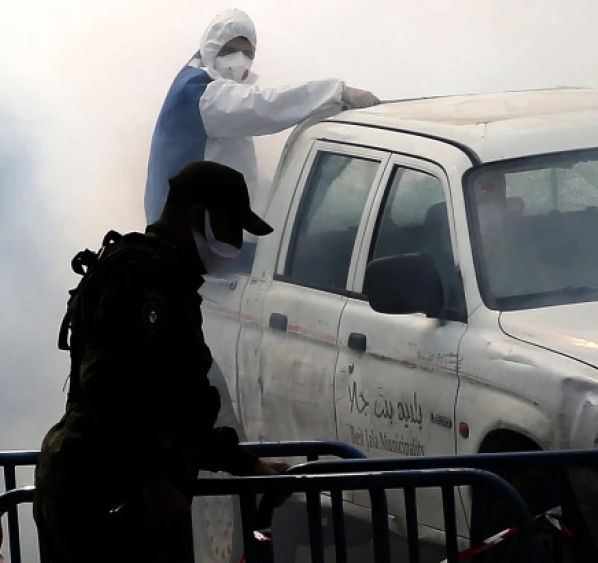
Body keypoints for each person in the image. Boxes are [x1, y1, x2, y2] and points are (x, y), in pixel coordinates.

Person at [34, 161, 289, 562]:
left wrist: (246, 464)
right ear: (196, 217)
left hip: (112, 490)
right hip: (103, 497)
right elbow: (111, 387)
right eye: (231, 227)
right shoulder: (145, 276)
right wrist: (153, 484)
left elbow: (175, 408)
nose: (237, 243)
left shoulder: (167, 276)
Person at [143, 8, 382, 225]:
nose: (240, 59)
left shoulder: (207, 85)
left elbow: (234, 159)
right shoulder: (199, 94)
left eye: (248, 53)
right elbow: (266, 106)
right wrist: (336, 92)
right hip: (186, 231)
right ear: (211, 48)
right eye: (231, 50)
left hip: (201, 224)